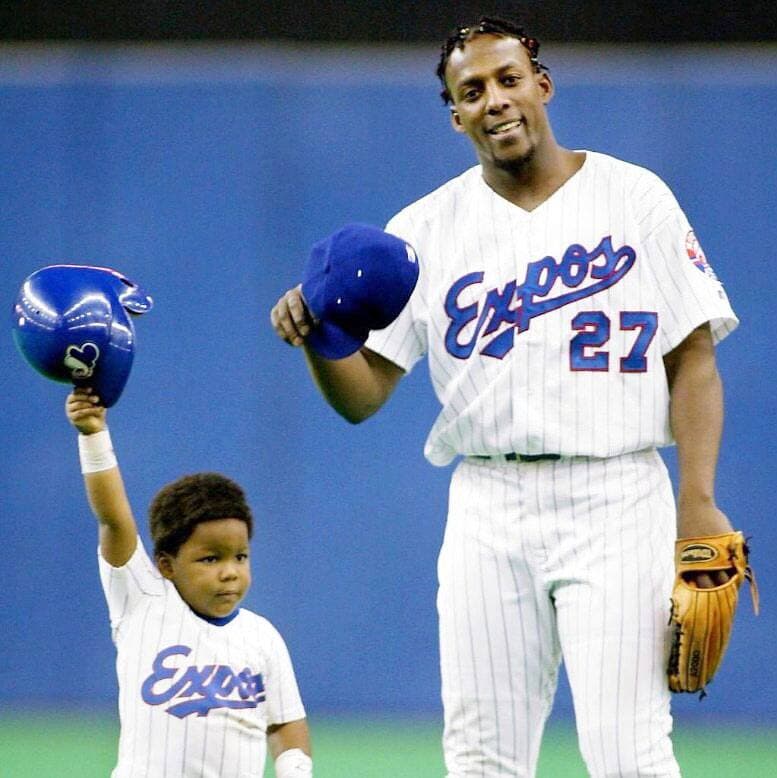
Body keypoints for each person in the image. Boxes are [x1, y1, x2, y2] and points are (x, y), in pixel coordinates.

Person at [270, 16, 739, 778]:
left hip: (617, 494)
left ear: (541, 85)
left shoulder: (634, 197)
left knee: (628, 753)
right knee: (481, 759)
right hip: (488, 505)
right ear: (455, 116)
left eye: (508, 79)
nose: (493, 99)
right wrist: (320, 340)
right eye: (471, 91)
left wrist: (698, 498)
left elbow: (693, 358)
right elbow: (363, 396)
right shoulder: (424, 230)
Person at [65, 387, 312, 778]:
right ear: (166, 564)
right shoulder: (142, 603)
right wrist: (93, 434)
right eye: (210, 559)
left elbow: (284, 722)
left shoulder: (263, 637)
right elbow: (114, 518)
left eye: (240, 556)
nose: (230, 572)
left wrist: (295, 768)